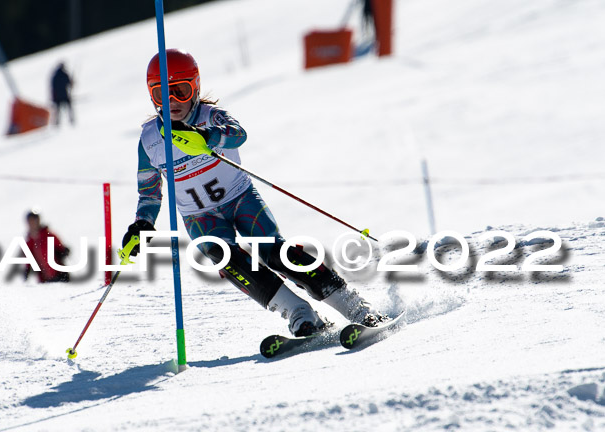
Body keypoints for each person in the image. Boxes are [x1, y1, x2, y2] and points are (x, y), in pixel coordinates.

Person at [123, 49, 384, 337]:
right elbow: (149, 192)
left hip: (240, 199)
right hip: (199, 216)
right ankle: (300, 314)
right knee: (230, 262)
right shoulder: (149, 140)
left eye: (180, 91)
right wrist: (142, 223)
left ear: (195, 87)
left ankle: (356, 308)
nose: (172, 101)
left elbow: (238, 133)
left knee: (274, 252)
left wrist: (208, 137)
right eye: (162, 94)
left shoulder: (211, 116)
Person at [24, 210, 71, 283]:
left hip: (59, 275)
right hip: (45, 280)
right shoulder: (30, 241)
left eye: (34, 220)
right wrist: (27, 272)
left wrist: (64, 251)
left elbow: (61, 249)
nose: (32, 223)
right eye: (30, 221)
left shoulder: (48, 235)